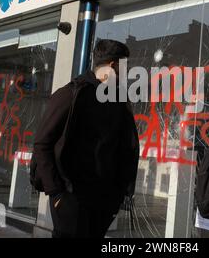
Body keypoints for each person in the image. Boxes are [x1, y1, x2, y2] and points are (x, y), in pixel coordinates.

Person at [33, 39, 140, 238]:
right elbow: (42, 143)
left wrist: (119, 194)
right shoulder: (72, 94)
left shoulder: (118, 100)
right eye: (125, 66)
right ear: (113, 66)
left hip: (104, 201)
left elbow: (125, 148)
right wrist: (56, 192)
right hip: (71, 199)